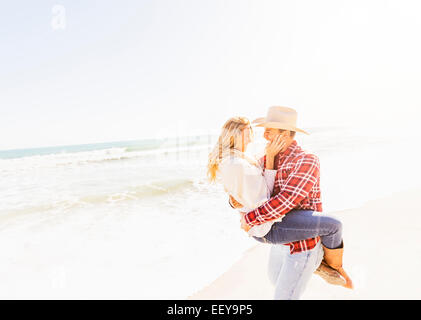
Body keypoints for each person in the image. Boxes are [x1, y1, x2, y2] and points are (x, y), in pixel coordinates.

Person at [207, 107, 353, 299]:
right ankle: (317, 266)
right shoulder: (267, 157)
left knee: (284, 296)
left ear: (284, 134)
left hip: (302, 243)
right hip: (281, 236)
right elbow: (248, 189)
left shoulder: (306, 160)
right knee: (276, 282)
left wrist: (249, 219)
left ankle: (329, 264)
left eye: (269, 130)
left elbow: (285, 201)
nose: (264, 135)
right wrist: (235, 203)